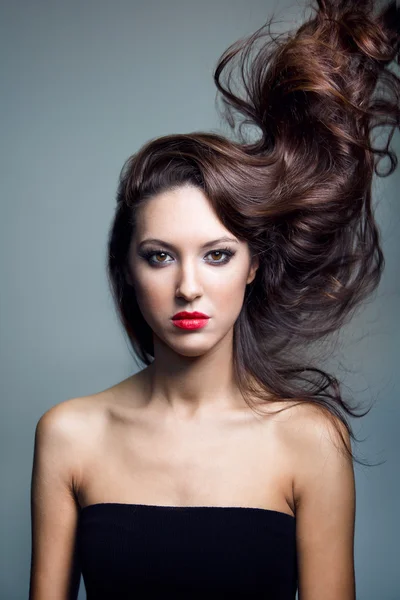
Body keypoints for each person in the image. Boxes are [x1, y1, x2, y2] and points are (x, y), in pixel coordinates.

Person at [29, 0, 400, 598]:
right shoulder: (71, 434)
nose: (188, 286)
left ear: (253, 265)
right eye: (159, 255)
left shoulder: (309, 439)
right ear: (126, 269)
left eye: (217, 254)